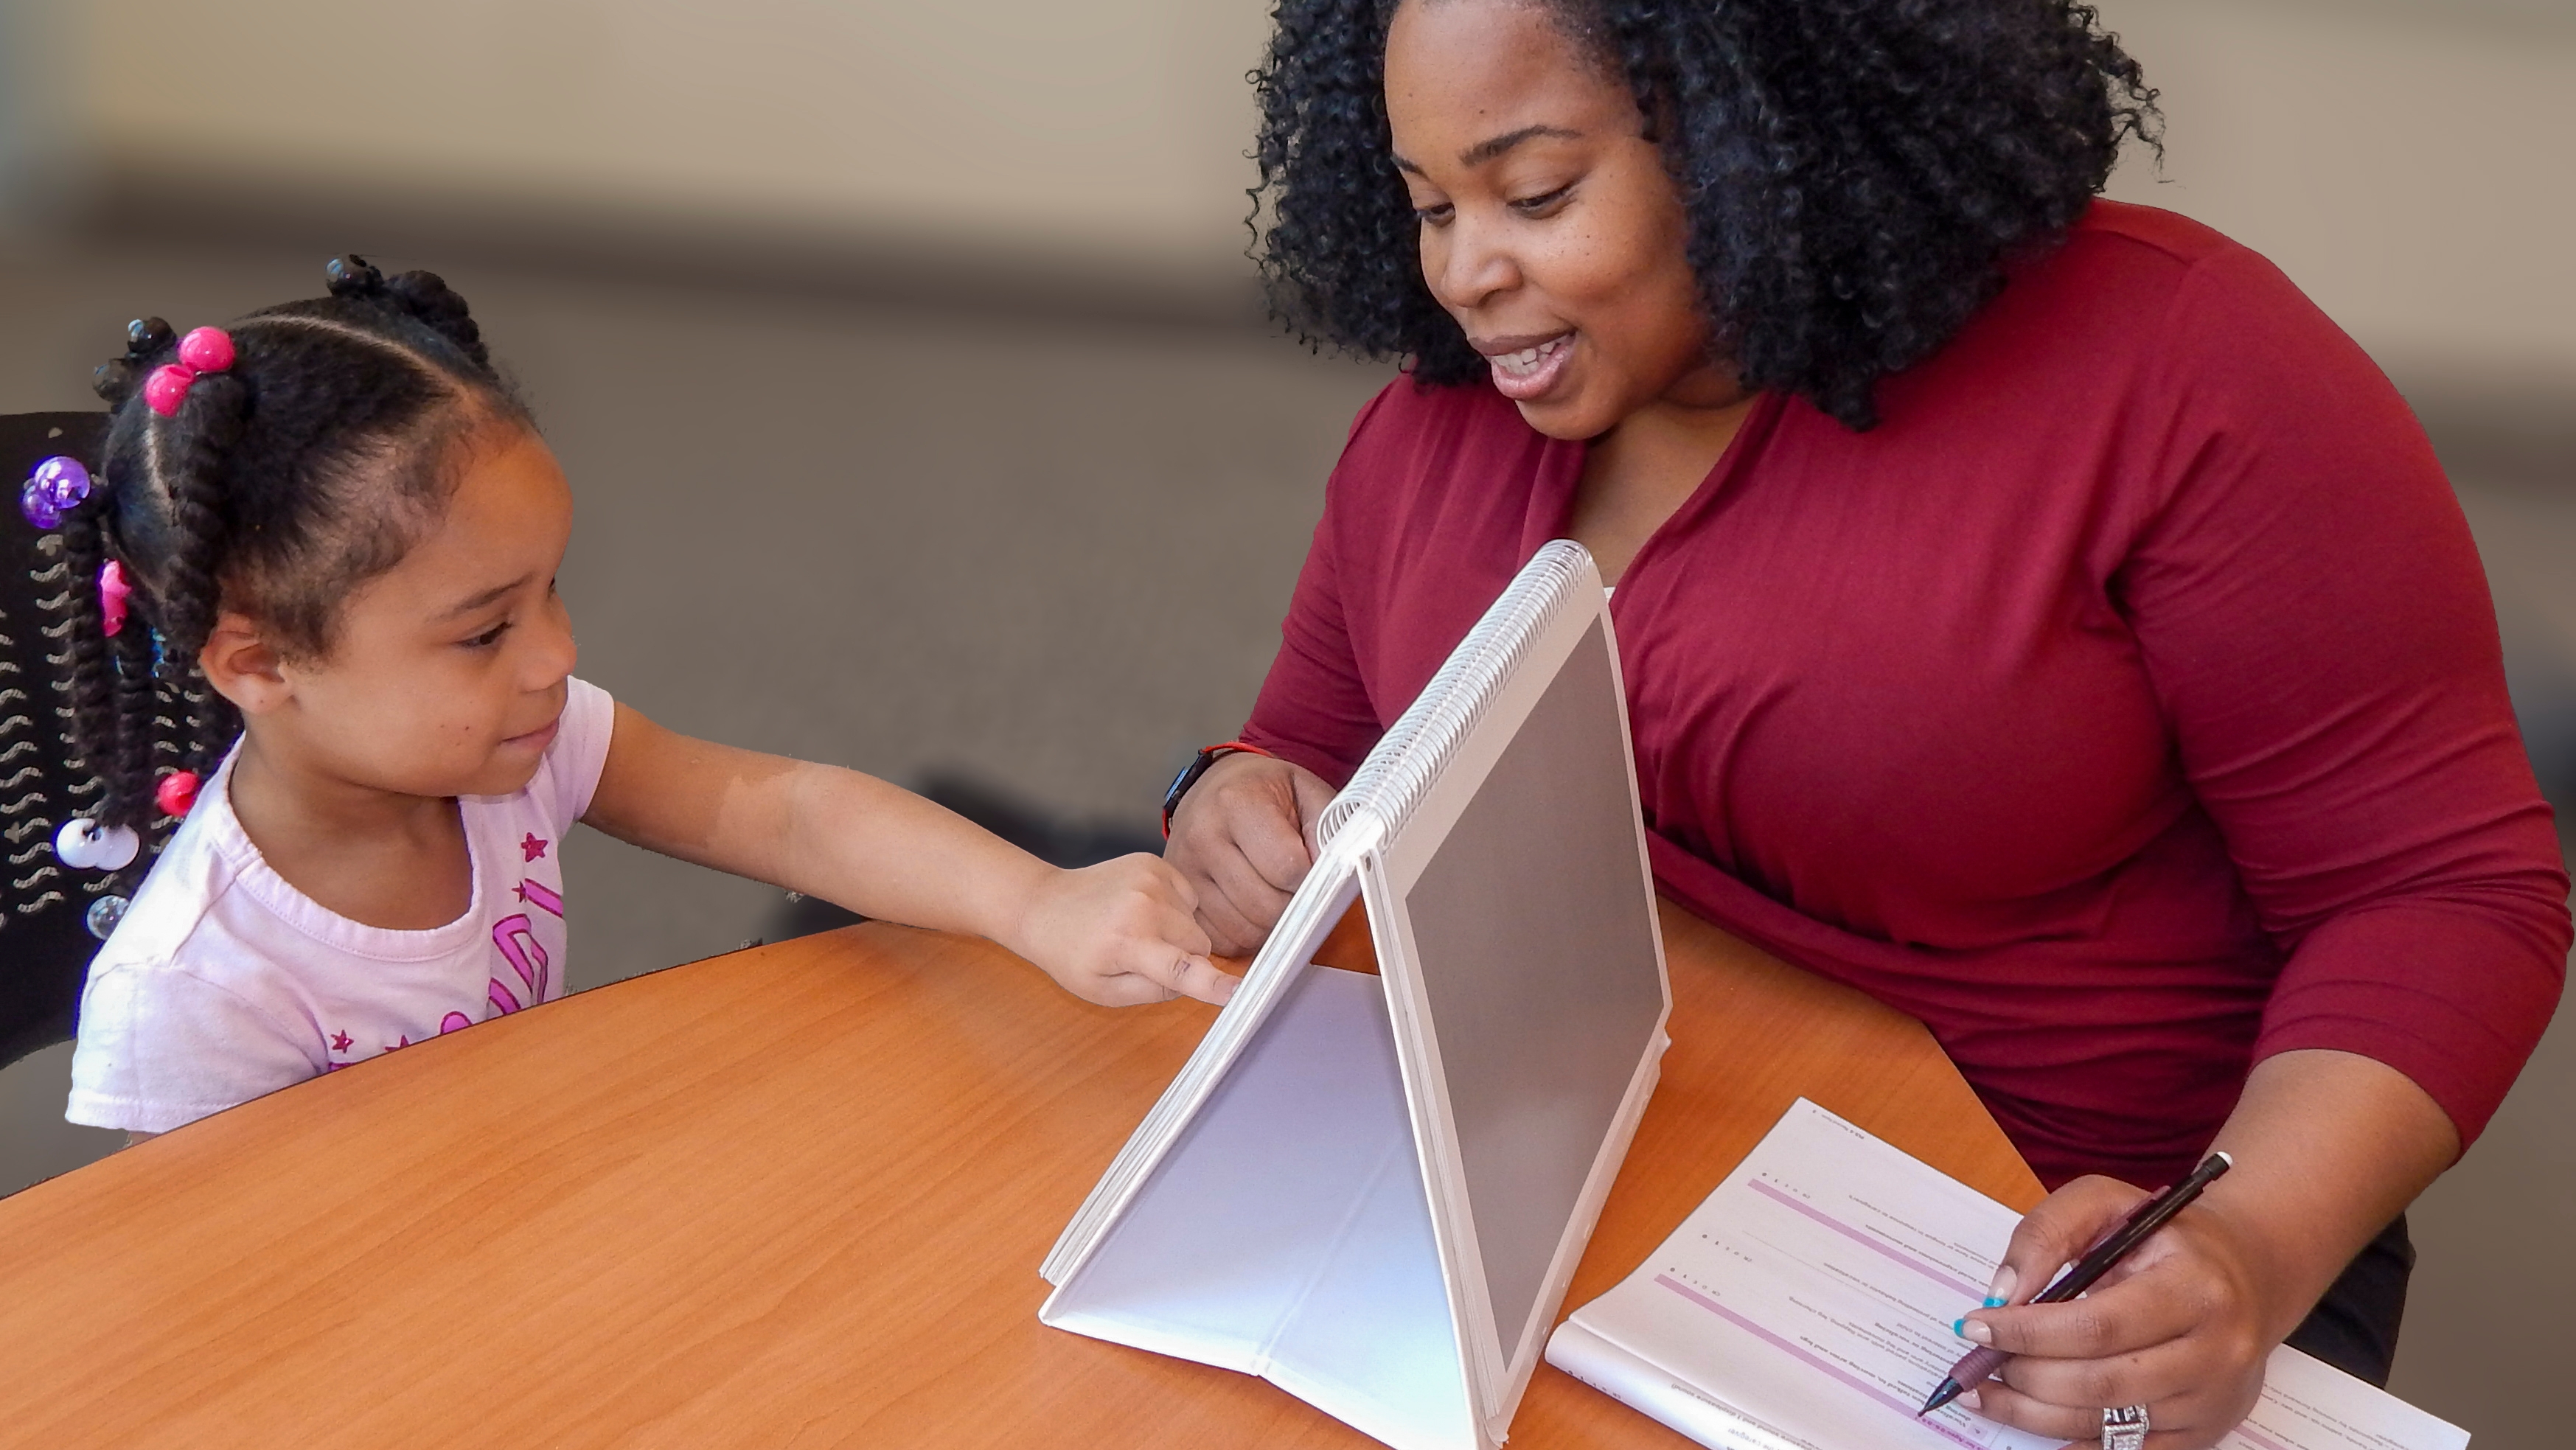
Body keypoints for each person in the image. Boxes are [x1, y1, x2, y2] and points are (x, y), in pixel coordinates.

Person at [1163, 2, 2569, 1446]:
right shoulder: (1446, 416)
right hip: (1592, 1205)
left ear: (1745, 122)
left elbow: (2442, 892)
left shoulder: (2186, 376)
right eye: (1427, 205)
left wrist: (2247, 1248)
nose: (1463, 273)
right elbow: (1314, 747)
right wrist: (1225, 796)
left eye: (1535, 194)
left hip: (2059, 1269)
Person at [43, 257, 1234, 1145]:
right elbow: (222, 1304)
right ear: (255, 662)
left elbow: (790, 816)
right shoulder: (196, 992)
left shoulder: (509, 747)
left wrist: (1037, 903)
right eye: (485, 631)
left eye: (550, 591)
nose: (558, 655)